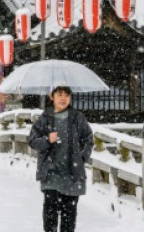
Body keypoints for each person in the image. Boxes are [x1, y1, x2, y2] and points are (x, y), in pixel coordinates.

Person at [27, 86, 93, 232]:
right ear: (52, 96)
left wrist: (81, 158)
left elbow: (88, 139)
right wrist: (47, 139)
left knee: (69, 216)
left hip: (72, 174)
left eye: (66, 95)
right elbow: (32, 141)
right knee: (50, 213)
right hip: (51, 173)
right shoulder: (45, 119)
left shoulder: (77, 118)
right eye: (60, 94)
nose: (63, 98)